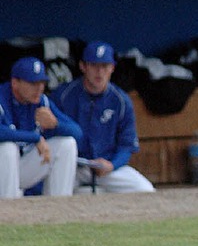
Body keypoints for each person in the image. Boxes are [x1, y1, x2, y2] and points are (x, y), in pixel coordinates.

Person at [51, 41, 155, 193]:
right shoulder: (64, 96)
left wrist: (112, 165)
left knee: (145, 190)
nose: (99, 72)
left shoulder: (120, 100)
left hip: (106, 166)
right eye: (94, 65)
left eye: (105, 66)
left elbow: (126, 146)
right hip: (72, 166)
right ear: (83, 66)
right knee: (54, 195)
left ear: (112, 68)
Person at [0, 57, 81, 199]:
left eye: (42, 82)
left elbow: (78, 133)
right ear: (15, 83)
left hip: (20, 170)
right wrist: (35, 138)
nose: (39, 88)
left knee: (67, 144)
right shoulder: (2, 97)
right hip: (3, 169)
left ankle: (58, 210)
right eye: (32, 83)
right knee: (7, 148)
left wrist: (55, 124)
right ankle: (7, 213)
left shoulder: (41, 101)